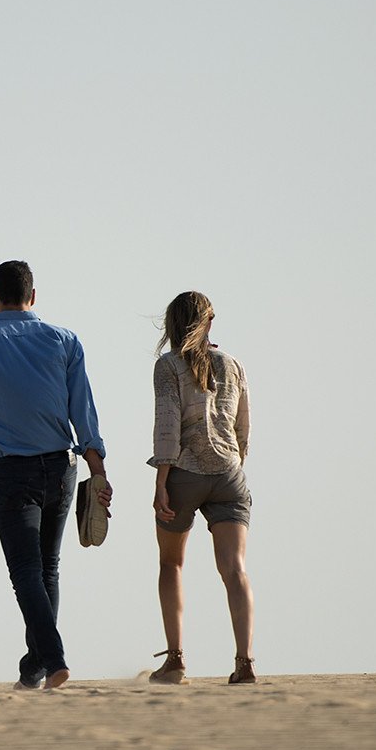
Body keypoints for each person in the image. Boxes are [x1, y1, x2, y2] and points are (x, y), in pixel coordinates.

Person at [0, 260, 111, 690]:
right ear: (33, 297)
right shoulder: (65, 340)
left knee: (25, 570)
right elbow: (84, 411)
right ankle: (35, 667)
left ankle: (52, 660)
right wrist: (99, 469)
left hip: (11, 472)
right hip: (61, 469)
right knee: (46, 567)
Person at [146, 291, 256, 685]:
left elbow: (167, 425)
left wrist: (161, 483)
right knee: (235, 570)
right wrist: (235, 462)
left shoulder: (168, 367)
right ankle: (245, 663)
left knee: (171, 564)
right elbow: (243, 425)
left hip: (185, 473)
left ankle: (175, 661)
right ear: (208, 322)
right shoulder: (233, 364)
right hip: (229, 473)